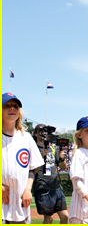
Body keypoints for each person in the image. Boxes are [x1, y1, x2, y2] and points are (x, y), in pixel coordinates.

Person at [2, 92, 44, 224]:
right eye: (7, 105)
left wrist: (27, 190)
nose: (12, 108)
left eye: (15, 106)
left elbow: (32, 168)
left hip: (20, 202)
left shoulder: (26, 137)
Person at [32, 124, 69, 224]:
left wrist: (62, 158)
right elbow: (32, 170)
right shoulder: (33, 148)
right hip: (42, 186)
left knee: (65, 216)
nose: (44, 134)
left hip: (55, 187)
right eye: (41, 131)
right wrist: (40, 156)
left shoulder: (52, 149)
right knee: (49, 218)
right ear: (36, 134)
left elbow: (63, 167)